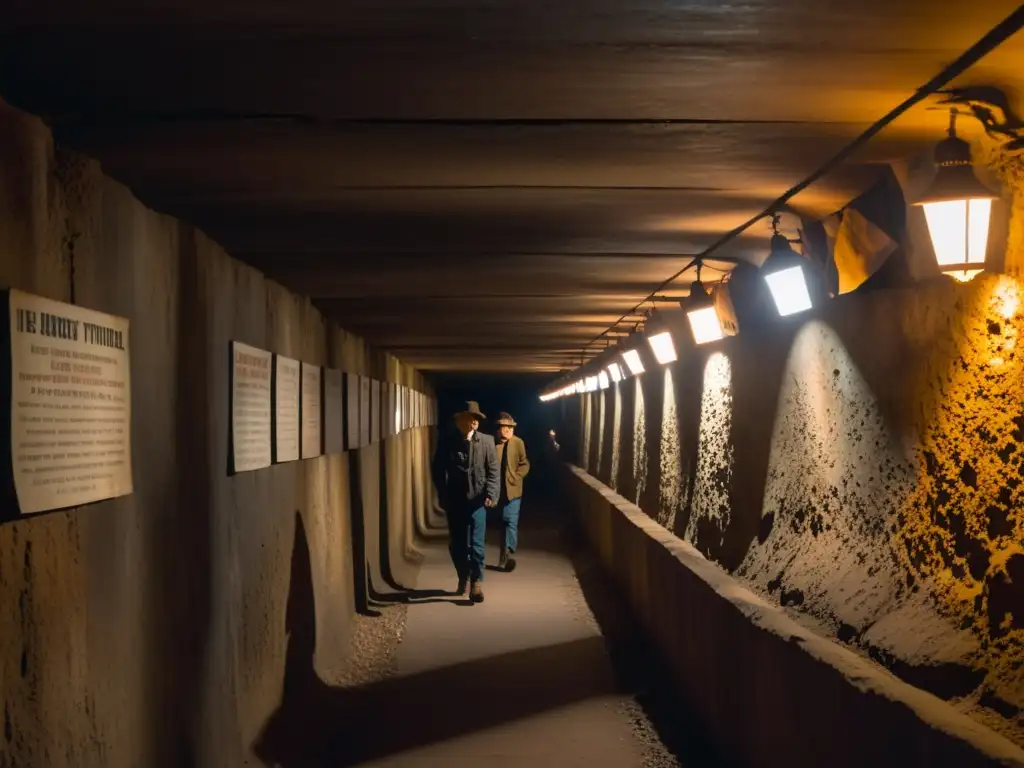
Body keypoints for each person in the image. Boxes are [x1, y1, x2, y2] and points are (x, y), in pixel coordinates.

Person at [431, 400, 499, 603]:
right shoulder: (447, 441)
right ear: (458, 421)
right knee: (458, 545)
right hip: (456, 501)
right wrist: (442, 494)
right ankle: (464, 575)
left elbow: (493, 471)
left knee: (477, 545)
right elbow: (437, 470)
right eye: (467, 419)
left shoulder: (486, 442)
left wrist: (491, 495)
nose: (472, 423)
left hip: (478, 501)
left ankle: (476, 583)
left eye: (474, 419)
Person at [493, 412, 530, 572]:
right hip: (498, 491)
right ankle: (504, 555)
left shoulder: (518, 443)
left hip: (514, 490)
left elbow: (524, 463)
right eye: (504, 427)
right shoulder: (493, 444)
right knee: (503, 523)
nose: (507, 430)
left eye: (509, 427)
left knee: (510, 519)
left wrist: (518, 476)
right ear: (498, 429)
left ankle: (510, 550)